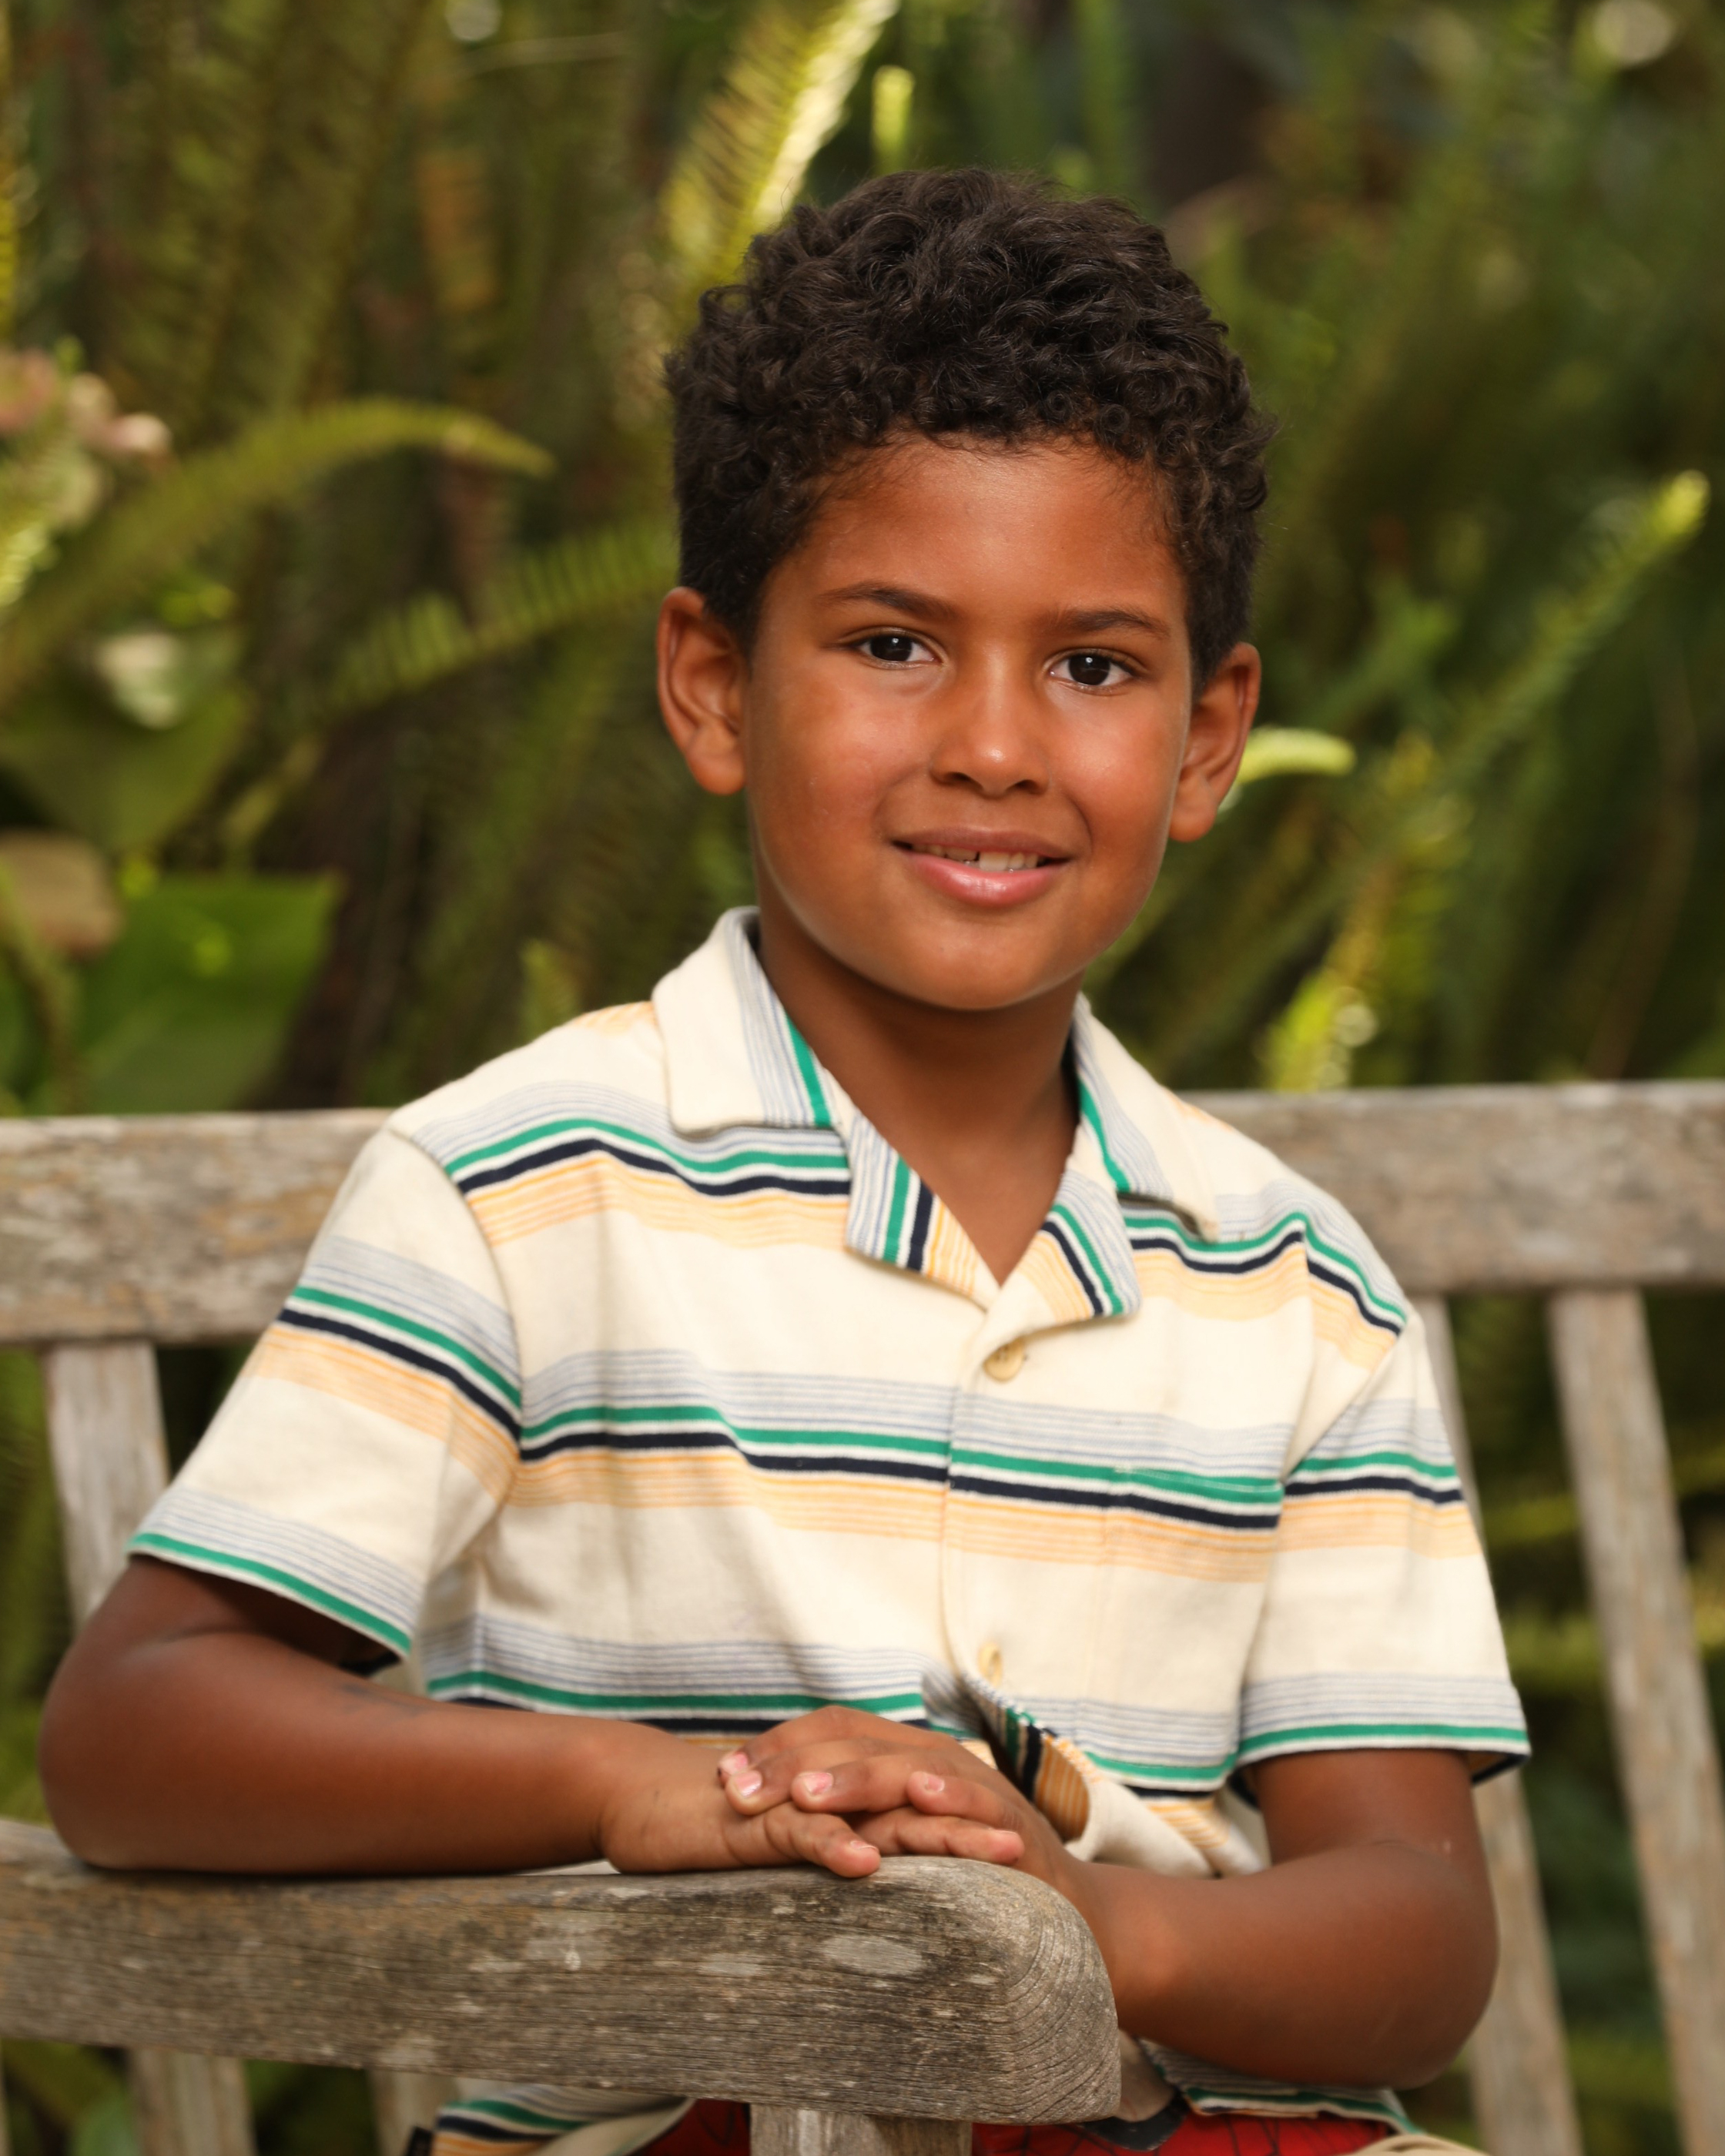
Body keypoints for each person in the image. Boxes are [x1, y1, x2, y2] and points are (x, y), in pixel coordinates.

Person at [39, 169, 1526, 2156]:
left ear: (1208, 734)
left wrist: (1085, 1931)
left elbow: (1417, 1927)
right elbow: (138, 1729)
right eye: (896, 642)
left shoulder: (1296, 1287)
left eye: (1092, 666)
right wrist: (645, 1790)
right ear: (715, 683)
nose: (994, 744)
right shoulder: (524, 1189)